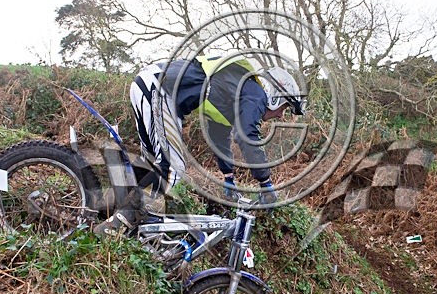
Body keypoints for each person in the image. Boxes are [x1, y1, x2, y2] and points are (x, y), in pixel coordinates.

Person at [94, 55, 305, 236]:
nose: (280, 114)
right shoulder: (255, 93)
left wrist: (228, 177)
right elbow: (247, 137)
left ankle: (111, 210)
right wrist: (265, 182)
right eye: (284, 108)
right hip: (161, 88)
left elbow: (218, 136)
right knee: (173, 169)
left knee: (151, 162)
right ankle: (120, 223)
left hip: (150, 82)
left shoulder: (236, 91)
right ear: (276, 97)